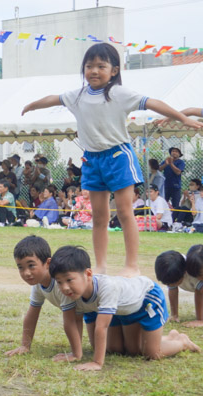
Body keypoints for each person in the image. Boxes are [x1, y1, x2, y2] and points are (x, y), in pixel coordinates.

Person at [23, 44, 203, 276]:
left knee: (125, 212)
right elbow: (54, 98)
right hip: (92, 160)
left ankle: (132, 265)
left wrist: (182, 118)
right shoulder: (77, 95)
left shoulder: (119, 94)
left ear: (114, 70)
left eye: (101, 66)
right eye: (89, 66)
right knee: (99, 216)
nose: (94, 71)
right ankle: (100, 266)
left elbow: (153, 103)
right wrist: (32, 105)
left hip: (118, 156)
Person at [49, 245, 199, 371]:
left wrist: (97, 362)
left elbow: (102, 327)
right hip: (120, 308)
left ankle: (181, 342)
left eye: (69, 280)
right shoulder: (68, 292)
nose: (65, 287)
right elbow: (71, 322)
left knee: (152, 353)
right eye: (59, 282)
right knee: (116, 349)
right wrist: (76, 354)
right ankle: (170, 337)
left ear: (88, 274)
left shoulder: (106, 288)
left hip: (146, 300)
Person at [4, 236, 82, 360]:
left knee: (115, 348)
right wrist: (25, 346)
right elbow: (32, 316)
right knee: (113, 347)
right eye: (20, 267)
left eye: (31, 265)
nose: (26, 273)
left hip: (100, 311)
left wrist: (76, 354)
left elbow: (72, 320)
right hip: (88, 315)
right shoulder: (39, 284)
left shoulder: (61, 283)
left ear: (48, 263)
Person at [154, 248, 203, 327]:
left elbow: (199, 293)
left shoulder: (193, 271)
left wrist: (200, 319)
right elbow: (173, 290)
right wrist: (174, 315)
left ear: (184, 273)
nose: (170, 285)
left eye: (173, 283)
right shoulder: (171, 269)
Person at [162, 147, 185, 215]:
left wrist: (171, 164)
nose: (174, 152)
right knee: (163, 202)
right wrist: (166, 164)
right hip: (166, 185)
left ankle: (175, 219)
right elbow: (159, 168)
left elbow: (178, 172)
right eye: (173, 151)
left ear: (179, 154)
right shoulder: (166, 161)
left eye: (176, 151)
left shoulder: (181, 162)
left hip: (176, 186)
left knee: (176, 205)